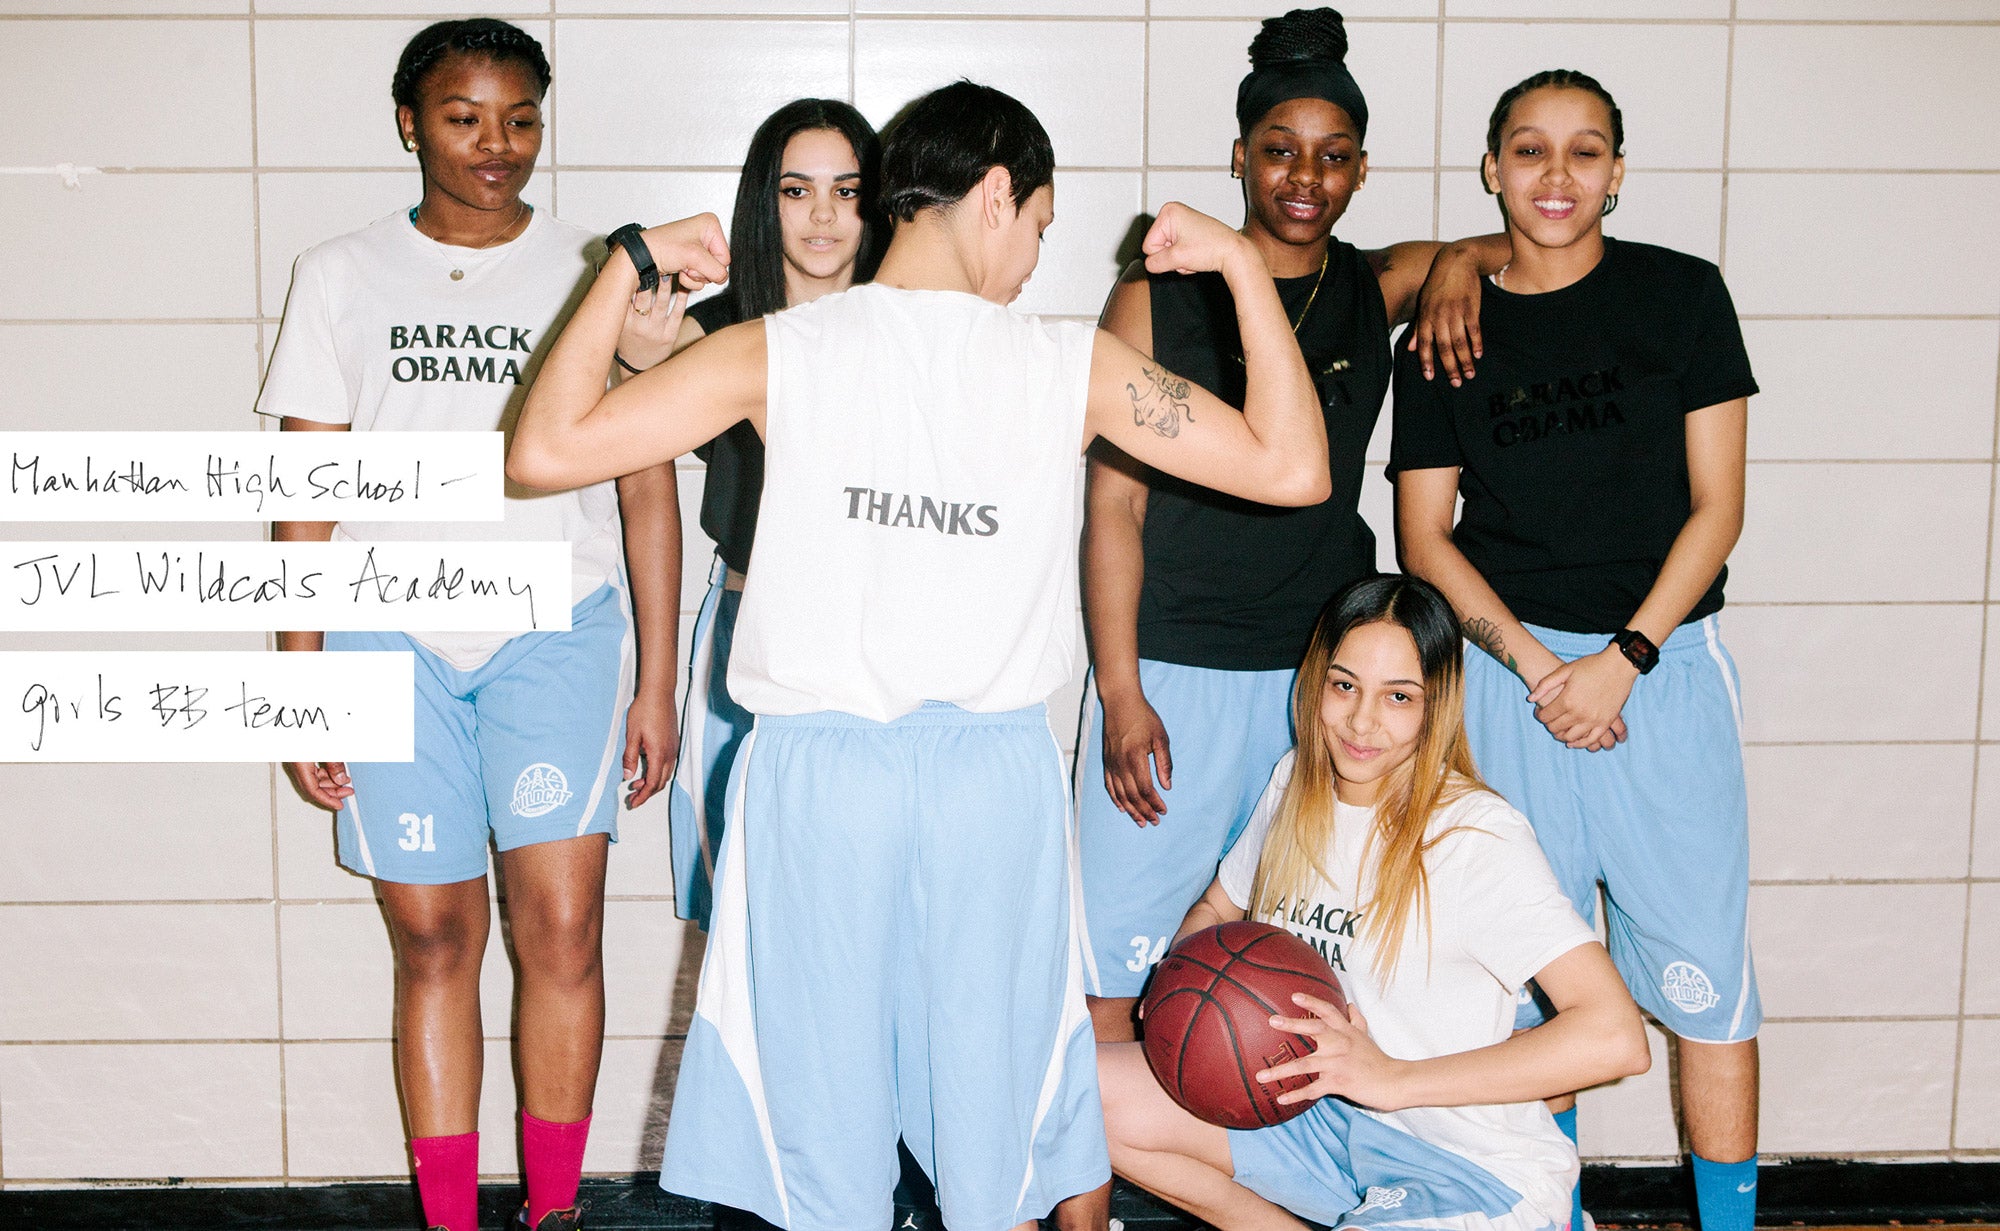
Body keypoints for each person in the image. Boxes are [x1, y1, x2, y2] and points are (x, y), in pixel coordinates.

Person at [507, 80, 1331, 1231]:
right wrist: (1242, 269)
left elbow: (543, 448)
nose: (1036, 258)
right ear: (995, 194)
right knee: (992, 1119)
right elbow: (1293, 465)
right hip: (984, 784)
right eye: (1038, 228)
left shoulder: (778, 347)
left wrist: (623, 264)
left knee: (818, 1129)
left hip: (820, 785)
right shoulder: (1066, 363)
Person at [263, 19, 680, 1231]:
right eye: (464, 117)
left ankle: (554, 1211)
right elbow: (307, 494)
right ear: (411, 124)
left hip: (557, 634)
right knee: (434, 937)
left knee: (558, 927)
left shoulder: (595, 272)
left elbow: (645, 484)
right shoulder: (338, 275)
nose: (496, 145)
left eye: (520, 118)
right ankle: (448, 1219)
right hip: (389, 645)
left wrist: (655, 680)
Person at [1078, 5, 1509, 1045]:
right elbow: (1112, 507)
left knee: (1288, 964)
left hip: (1316, 684)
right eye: (1278, 150)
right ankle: (1094, 1193)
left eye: (1331, 156)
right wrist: (1121, 686)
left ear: (1360, 170)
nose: (1302, 175)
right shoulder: (1157, 297)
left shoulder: (1372, 284)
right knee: (1116, 961)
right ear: (1238, 159)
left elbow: (1528, 242)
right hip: (1176, 668)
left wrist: (1454, 258)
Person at [1391, 70, 1760, 1231]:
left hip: (1663, 674)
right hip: (1509, 687)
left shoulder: (1681, 296)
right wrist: (1543, 670)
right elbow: (1421, 536)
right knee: (1527, 986)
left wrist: (1623, 658)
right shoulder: (1443, 333)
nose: (1556, 176)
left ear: (1615, 170)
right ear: (1490, 169)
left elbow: (1717, 507)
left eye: (1583, 151)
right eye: (1529, 151)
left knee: (1707, 987)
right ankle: (1549, 1218)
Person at [1096, 575, 1651, 1231]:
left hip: (1466, 1165)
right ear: (1315, 683)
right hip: (1322, 1119)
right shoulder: (1295, 784)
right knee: (1083, 1089)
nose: (1362, 720)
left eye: (1398, 696)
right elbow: (1218, 907)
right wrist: (1179, 987)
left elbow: (1615, 1038)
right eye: (1344, 684)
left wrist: (1391, 1079)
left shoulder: (1472, 837)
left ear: (1434, 704)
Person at [613, 98, 884, 931]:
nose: (824, 214)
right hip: (744, 625)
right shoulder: (709, 332)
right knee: (736, 912)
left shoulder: (910, 329)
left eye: (846, 189)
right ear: (763, 203)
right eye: (797, 191)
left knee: (857, 905)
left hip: (876, 638)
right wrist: (632, 359)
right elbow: (620, 456)